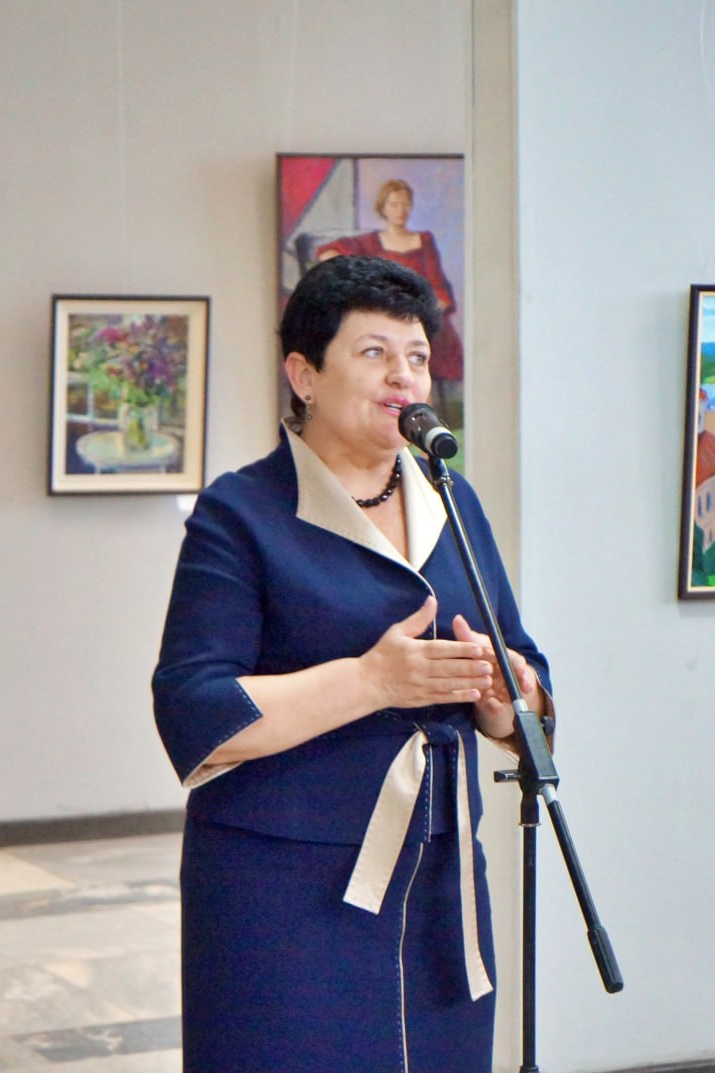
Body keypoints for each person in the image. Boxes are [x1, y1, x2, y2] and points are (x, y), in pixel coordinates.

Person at [153, 255, 552, 1072]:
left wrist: (504, 691)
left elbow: (529, 673)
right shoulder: (242, 511)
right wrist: (372, 682)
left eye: (417, 356)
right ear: (304, 375)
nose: (404, 375)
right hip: (284, 885)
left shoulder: (453, 499)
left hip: (439, 881)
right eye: (375, 352)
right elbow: (194, 708)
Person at [317, 178, 465, 429]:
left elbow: (438, 285)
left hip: (422, 316)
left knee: (421, 345)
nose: (400, 210)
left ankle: (423, 424)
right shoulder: (370, 243)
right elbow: (331, 251)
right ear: (383, 208)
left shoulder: (423, 240)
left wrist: (423, 313)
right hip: (385, 322)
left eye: (405, 205)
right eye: (394, 205)